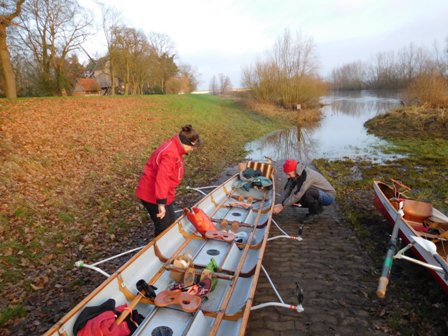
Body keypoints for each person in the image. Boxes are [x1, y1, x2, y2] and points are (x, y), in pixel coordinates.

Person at [136, 124, 200, 236]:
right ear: (186, 143)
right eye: (193, 147)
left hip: (163, 193)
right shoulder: (170, 153)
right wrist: (161, 204)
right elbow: (162, 179)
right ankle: (156, 251)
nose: (193, 149)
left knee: (171, 223)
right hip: (152, 195)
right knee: (163, 228)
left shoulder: (175, 148)